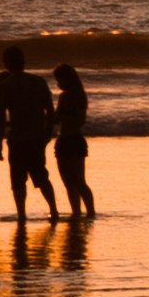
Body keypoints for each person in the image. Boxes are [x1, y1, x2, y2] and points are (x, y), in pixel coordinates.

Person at [0, 46, 58, 219]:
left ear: (6, 64)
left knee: (17, 180)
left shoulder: (4, 86)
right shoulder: (38, 81)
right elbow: (50, 110)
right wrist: (48, 133)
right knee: (41, 176)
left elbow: (1, 119)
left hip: (17, 138)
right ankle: (53, 209)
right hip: (36, 136)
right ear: (23, 62)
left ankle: (21, 213)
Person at [54, 62, 98, 216]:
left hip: (74, 139)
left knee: (79, 181)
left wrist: (59, 117)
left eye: (60, 80)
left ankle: (91, 211)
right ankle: (76, 212)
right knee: (68, 182)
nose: (58, 84)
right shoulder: (62, 96)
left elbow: (80, 120)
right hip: (62, 139)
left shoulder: (78, 96)